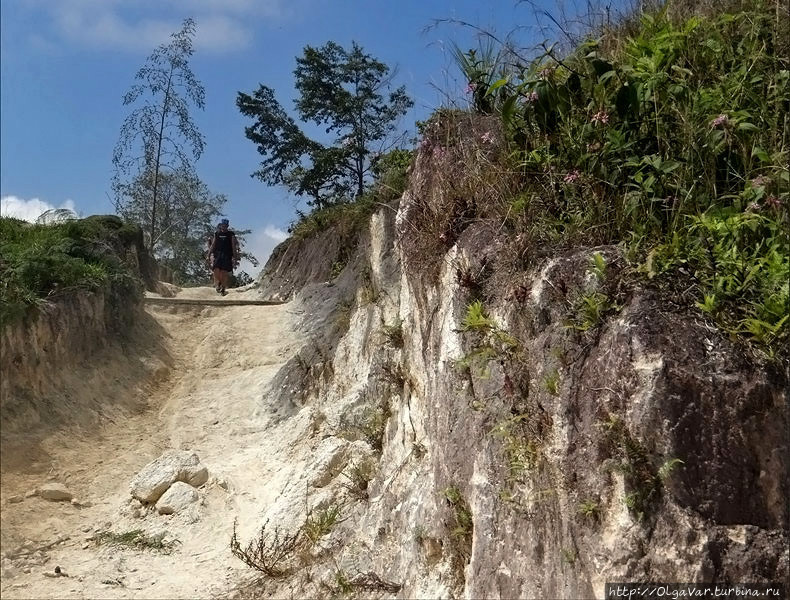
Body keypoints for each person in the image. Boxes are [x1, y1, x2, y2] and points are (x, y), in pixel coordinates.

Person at [208, 219, 240, 296]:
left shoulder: (231, 234)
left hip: (227, 254)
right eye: (223, 225)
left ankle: (223, 288)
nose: (224, 227)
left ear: (227, 226)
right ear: (221, 225)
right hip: (218, 254)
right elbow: (213, 245)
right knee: (216, 269)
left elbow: (233, 246)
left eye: (225, 225)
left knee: (224, 272)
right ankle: (219, 283)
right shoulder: (217, 233)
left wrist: (235, 257)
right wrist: (209, 254)